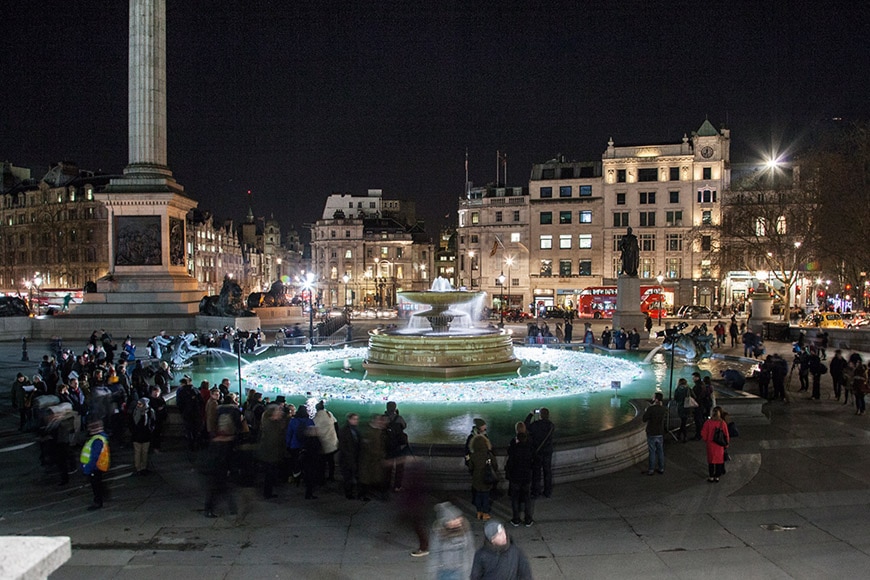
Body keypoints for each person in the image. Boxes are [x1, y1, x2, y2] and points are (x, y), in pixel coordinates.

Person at [428, 502, 475, 578]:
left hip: (459, 571)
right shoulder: (439, 532)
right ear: (447, 522)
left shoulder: (465, 530)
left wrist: (468, 571)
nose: (458, 520)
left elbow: (469, 551)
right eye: (454, 519)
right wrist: (433, 571)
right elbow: (435, 552)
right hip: (443, 571)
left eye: (458, 517)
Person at [257, 403, 288, 499]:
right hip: (270, 454)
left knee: (270, 474)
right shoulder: (271, 425)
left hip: (271, 453)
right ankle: (267, 493)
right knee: (269, 474)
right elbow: (274, 440)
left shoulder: (269, 422)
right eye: (278, 411)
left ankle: (268, 492)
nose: (280, 412)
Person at [505, 422, 534, 527]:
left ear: (516, 430)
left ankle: (516, 519)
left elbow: (510, 457)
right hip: (526, 475)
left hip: (515, 476)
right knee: (527, 498)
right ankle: (528, 519)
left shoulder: (514, 444)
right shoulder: (530, 442)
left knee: (515, 498)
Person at [80, 420, 110, 510]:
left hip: (94, 467)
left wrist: (87, 469)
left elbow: (94, 456)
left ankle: (98, 502)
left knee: (96, 485)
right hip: (96, 467)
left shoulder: (97, 440)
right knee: (98, 484)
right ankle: (101, 497)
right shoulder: (99, 438)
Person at [524, 408, 554, 498]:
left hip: (538, 451)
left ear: (540, 415)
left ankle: (535, 492)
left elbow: (525, 426)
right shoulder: (551, 425)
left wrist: (530, 414)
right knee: (547, 471)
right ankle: (547, 491)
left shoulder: (536, 425)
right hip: (548, 451)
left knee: (536, 472)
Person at [468, 426, 496, 521]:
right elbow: (495, 466)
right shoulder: (489, 454)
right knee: (485, 496)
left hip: (477, 479)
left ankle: (479, 512)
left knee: (478, 495)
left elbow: (470, 467)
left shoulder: (473, 455)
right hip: (486, 478)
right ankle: (485, 513)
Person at [383, 401, 409, 491]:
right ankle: (397, 486)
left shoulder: (383, 418)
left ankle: (386, 485)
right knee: (399, 468)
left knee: (387, 468)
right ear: (395, 408)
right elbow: (404, 426)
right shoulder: (398, 418)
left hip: (386, 446)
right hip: (398, 446)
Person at [700, 407, 730, 483]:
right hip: (719, 445)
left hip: (710, 445)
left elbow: (703, 433)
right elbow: (726, 435)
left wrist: (706, 440)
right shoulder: (722, 423)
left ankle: (711, 476)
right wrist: (726, 445)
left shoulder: (708, 422)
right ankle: (717, 476)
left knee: (711, 461)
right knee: (719, 461)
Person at [313, 400, 339, 482]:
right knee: (331, 461)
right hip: (332, 441)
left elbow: (314, 429)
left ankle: (321, 478)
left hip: (323, 443)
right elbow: (336, 424)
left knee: (322, 462)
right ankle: (331, 476)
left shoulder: (317, 417)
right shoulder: (329, 414)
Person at [338, 412, 362, 499]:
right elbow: (343, 446)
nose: (356, 421)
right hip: (347, 458)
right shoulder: (346, 431)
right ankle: (349, 493)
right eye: (354, 419)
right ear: (349, 419)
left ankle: (351, 493)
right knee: (348, 477)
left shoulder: (351, 430)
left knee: (350, 476)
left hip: (351, 457)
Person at [642, 392, 666, 475]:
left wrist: (646, 411)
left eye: (653, 397)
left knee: (652, 451)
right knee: (660, 451)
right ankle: (661, 468)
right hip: (660, 432)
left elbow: (644, 419)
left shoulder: (651, 409)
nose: (652, 398)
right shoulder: (663, 409)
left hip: (651, 432)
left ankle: (651, 469)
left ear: (656, 399)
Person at [129, 397, 155, 475]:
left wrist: (150, 429)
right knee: (138, 452)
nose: (138, 405)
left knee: (145, 452)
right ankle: (138, 468)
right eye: (138, 403)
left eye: (140, 404)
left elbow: (152, 421)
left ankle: (143, 467)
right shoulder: (135, 411)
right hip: (137, 434)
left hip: (146, 434)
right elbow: (132, 422)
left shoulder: (150, 411)